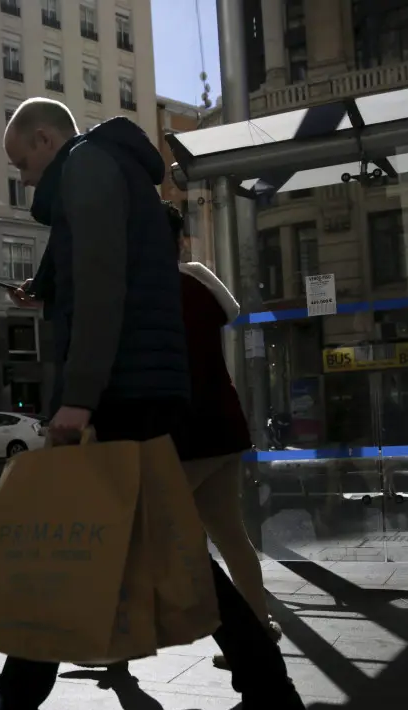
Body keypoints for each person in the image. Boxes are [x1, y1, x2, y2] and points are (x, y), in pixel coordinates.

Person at [0, 97, 312, 710]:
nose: (23, 177)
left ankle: (17, 709)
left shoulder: (85, 166)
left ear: (47, 138)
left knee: (73, 545)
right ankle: (269, 698)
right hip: (141, 383)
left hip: (123, 388)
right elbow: (92, 266)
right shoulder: (104, 168)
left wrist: (78, 398)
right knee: (153, 546)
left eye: (22, 161)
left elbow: (106, 282)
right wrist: (46, 286)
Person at [163, 201, 281, 670]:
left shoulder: (152, 291)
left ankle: (118, 641)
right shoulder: (198, 281)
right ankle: (259, 624)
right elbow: (229, 310)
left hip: (186, 433)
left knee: (143, 533)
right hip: (224, 425)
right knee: (231, 534)